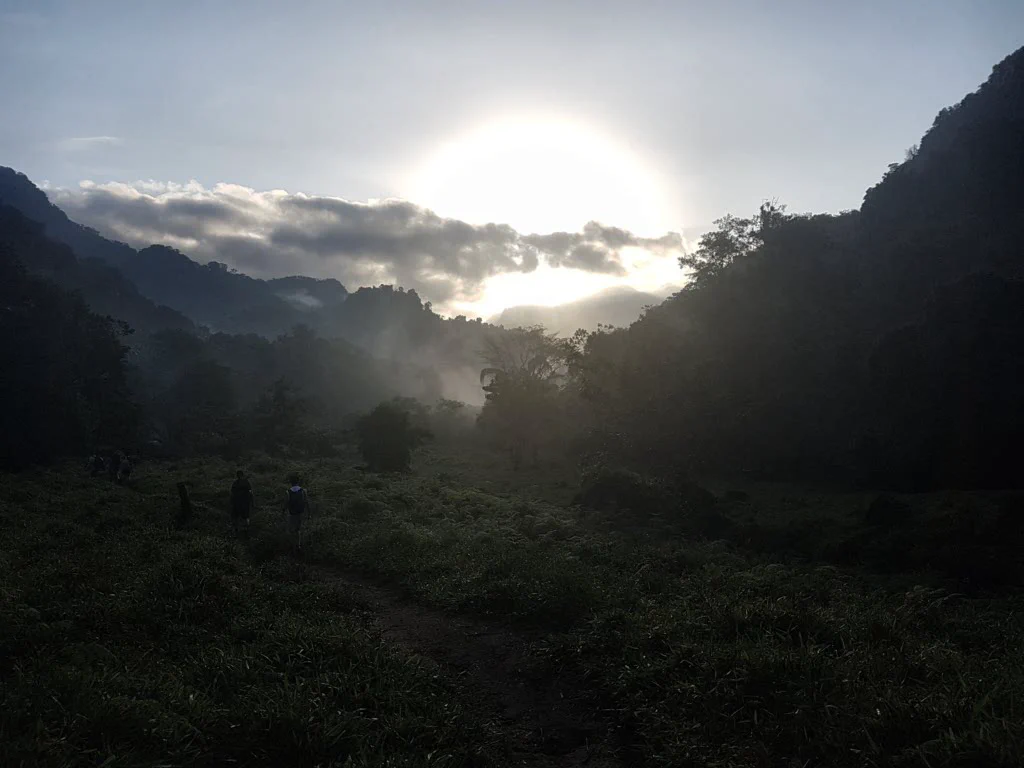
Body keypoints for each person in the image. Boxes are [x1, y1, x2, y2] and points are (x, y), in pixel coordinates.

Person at [283, 473, 310, 552]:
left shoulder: (287, 492)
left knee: (291, 530)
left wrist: (283, 511)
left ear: (290, 482)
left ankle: (293, 546)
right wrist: (309, 513)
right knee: (298, 530)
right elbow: (307, 502)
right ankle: (298, 545)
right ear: (298, 481)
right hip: (301, 512)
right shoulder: (304, 491)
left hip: (292, 513)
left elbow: (286, 504)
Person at [230, 470, 254, 536]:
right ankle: (247, 530)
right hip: (245, 502)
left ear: (237, 476)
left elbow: (232, 494)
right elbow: (250, 492)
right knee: (246, 516)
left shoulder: (235, 483)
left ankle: (236, 531)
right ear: (243, 475)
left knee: (236, 517)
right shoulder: (246, 482)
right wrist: (252, 502)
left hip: (236, 503)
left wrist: (231, 503)